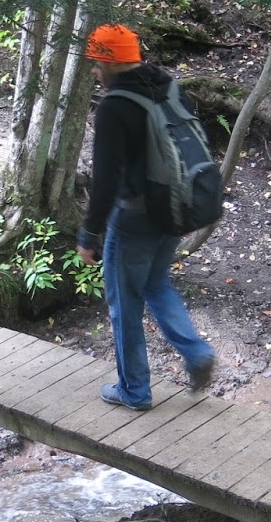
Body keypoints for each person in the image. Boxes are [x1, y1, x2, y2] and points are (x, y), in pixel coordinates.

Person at [77, 23, 216, 411]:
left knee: (124, 304)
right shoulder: (168, 88)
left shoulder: (115, 107)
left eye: (95, 62)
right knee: (156, 284)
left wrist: (89, 233)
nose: (93, 70)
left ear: (108, 61)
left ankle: (134, 391)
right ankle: (196, 352)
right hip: (175, 210)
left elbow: (105, 181)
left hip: (133, 220)